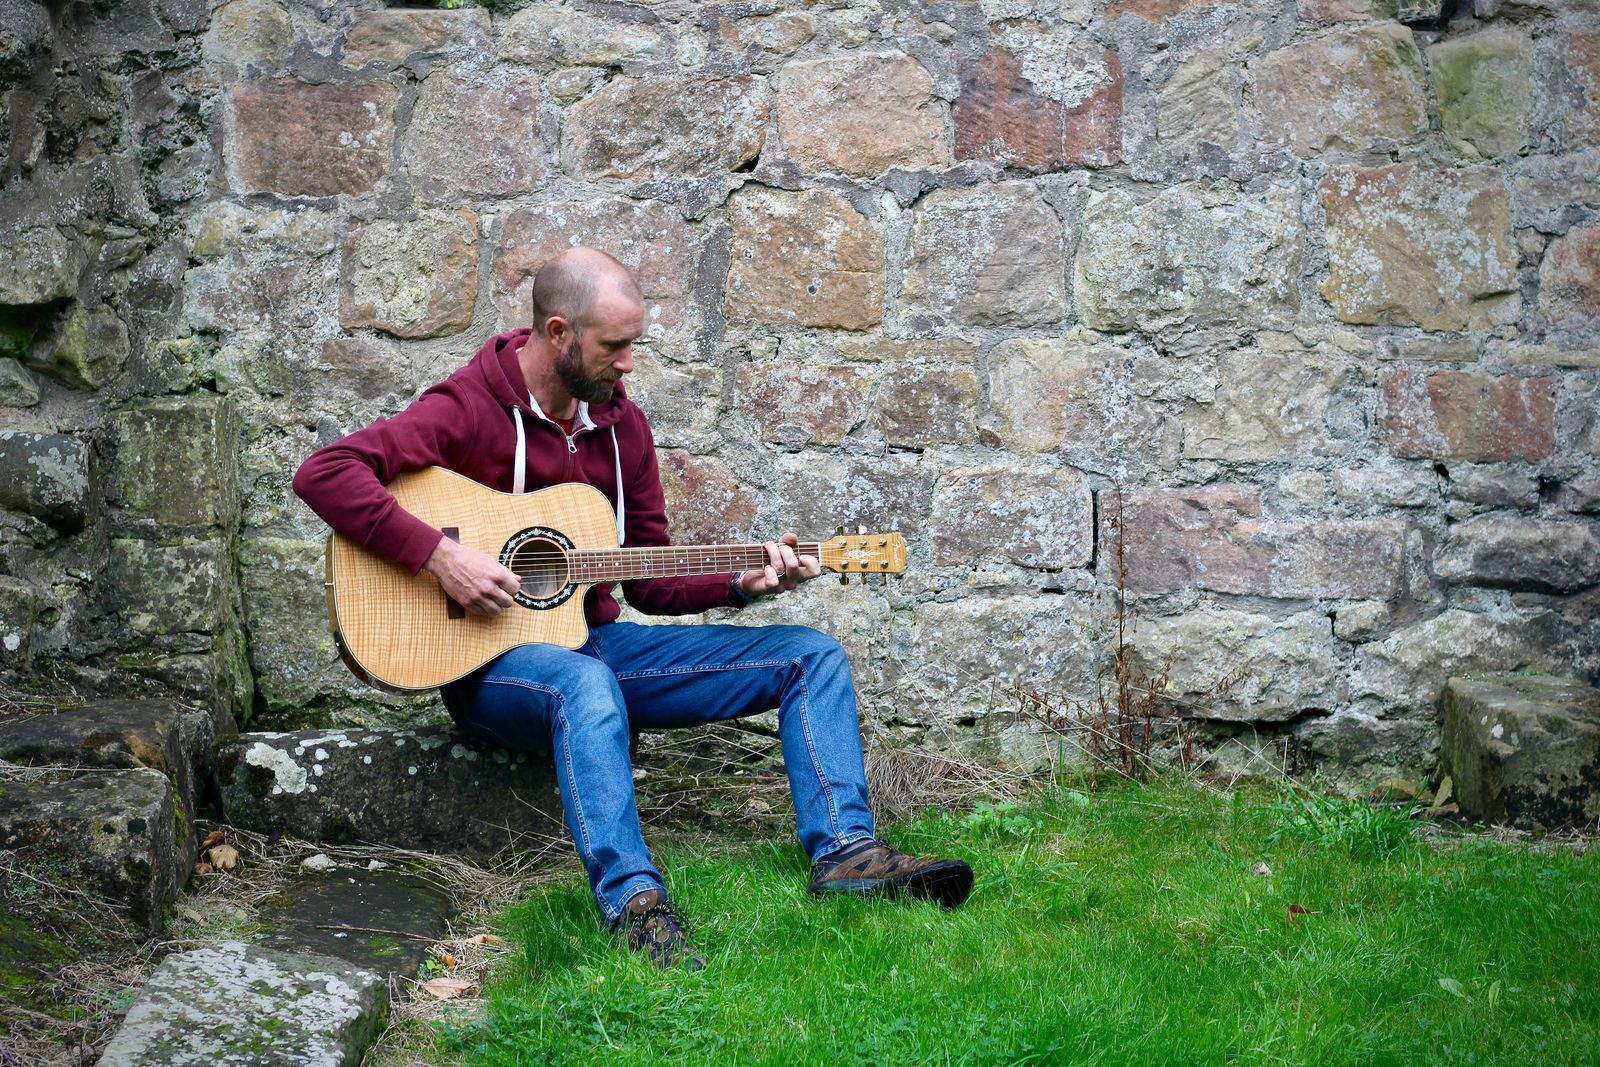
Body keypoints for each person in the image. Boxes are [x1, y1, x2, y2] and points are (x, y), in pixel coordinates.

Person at [293, 247, 972, 970]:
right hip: (488, 669)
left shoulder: (624, 430)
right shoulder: (466, 408)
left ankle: (847, 852)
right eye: (614, 345)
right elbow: (324, 473)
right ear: (558, 332)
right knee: (582, 683)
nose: (628, 363)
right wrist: (440, 555)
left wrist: (742, 584)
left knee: (810, 655)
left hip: (593, 646)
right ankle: (637, 905)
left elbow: (649, 579)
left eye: (632, 343)